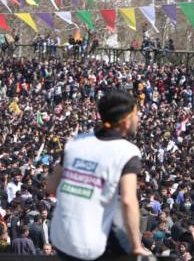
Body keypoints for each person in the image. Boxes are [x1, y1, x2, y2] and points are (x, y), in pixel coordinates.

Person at [47, 90, 149, 260]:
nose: (138, 120)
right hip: (89, 247)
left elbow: (51, 186)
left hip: (59, 238)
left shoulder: (75, 142)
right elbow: (128, 201)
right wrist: (136, 246)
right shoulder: (128, 152)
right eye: (136, 115)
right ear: (125, 121)